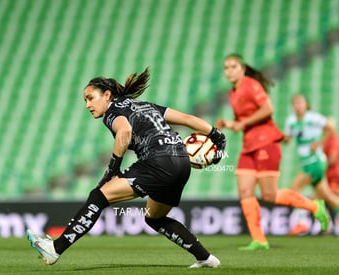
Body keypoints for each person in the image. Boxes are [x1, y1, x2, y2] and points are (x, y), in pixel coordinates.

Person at [26, 68, 226, 268]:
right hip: (182, 162)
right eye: (85, 101)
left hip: (157, 161)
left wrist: (113, 169)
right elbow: (189, 119)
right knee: (154, 218)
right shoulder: (146, 105)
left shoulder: (112, 112)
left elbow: (125, 131)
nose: (88, 105)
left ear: (107, 95)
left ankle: (55, 249)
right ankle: (206, 258)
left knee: (98, 197)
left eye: (90, 98)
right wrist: (217, 135)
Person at [215, 53, 330, 251]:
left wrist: (242, 122)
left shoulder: (251, 85)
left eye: (233, 66)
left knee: (270, 195)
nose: (229, 71)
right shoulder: (233, 93)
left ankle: (315, 206)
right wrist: (229, 123)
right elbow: (244, 121)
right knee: (244, 191)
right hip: (249, 145)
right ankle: (259, 239)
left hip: (266, 142)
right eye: (226, 67)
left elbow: (268, 109)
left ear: (242, 69)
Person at [284, 95, 339, 235]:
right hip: (306, 162)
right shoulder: (291, 121)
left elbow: (331, 128)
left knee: (294, 189)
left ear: (306, 104)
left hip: (315, 161)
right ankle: (326, 220)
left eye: (300, 102)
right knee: (326, 195)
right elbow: (287, 139)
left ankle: (302, 222)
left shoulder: (312, 117)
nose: (298, 105)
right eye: (295, 103)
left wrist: (319, 143)